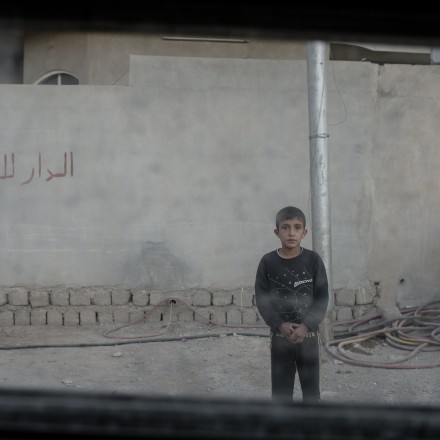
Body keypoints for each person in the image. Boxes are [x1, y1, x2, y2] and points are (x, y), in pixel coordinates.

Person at [255, 206, 329, 403]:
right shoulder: (268, 262)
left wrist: (306, 326)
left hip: (309, 338)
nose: (291, 233)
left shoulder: (313, 260)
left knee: (311, 393)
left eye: (297, 227)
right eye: (285, 227)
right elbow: (262, 299)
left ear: (304, 232)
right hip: (281, 339)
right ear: (276, 231)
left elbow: (322, 298)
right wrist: (279, 323)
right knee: (281, 394)